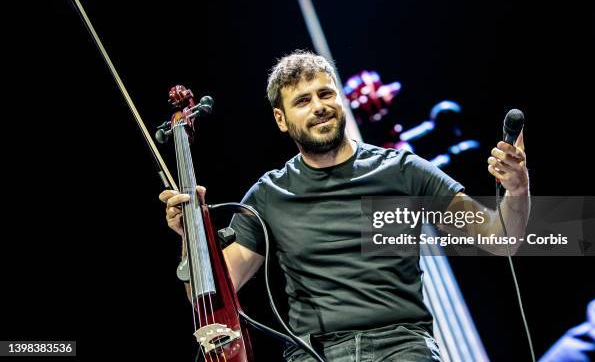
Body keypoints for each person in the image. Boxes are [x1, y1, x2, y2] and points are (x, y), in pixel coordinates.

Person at [159, 50, 530, 361]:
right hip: (314, 353)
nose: (319, 107)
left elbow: (501, 239)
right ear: (281, 120)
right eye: (303, 101)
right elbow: (209, 298)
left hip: (400, 348)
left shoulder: (403, 171)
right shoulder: (268, 194)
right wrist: (191, 235)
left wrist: (517, 190)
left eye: (326, 94)